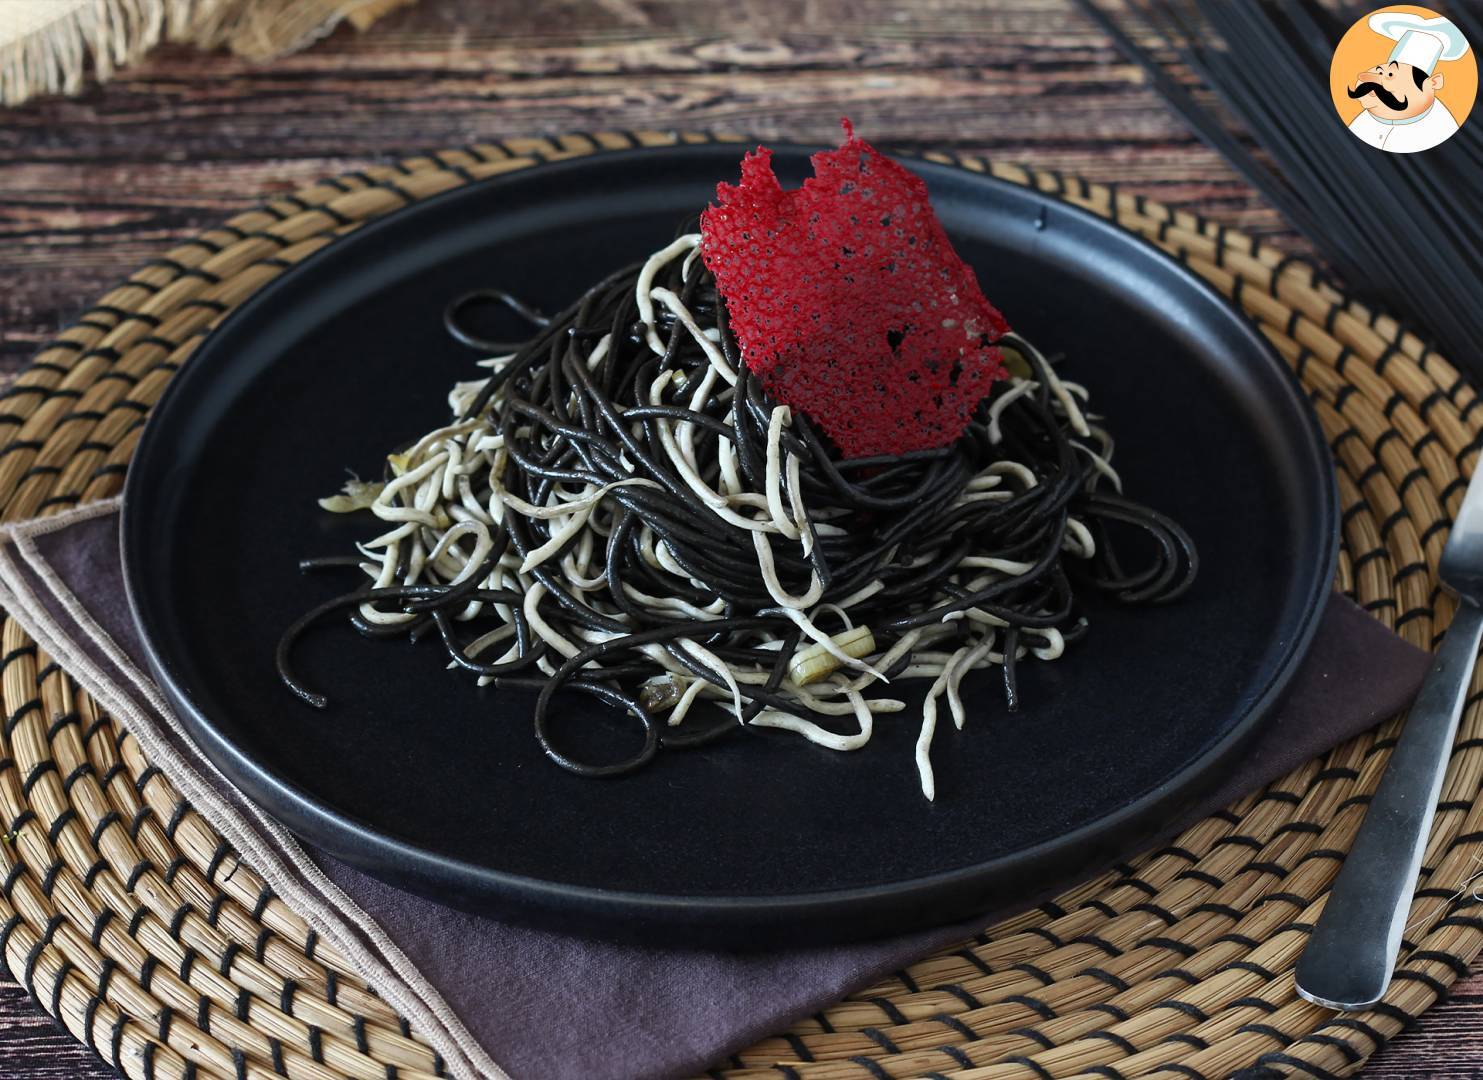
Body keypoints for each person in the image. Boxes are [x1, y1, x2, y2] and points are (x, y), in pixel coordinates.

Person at [1347, 11, 1470, 153]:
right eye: (1380, 72)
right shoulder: (1362, 119)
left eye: (1391, 76)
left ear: (1433, 83)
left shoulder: (1443, 125)